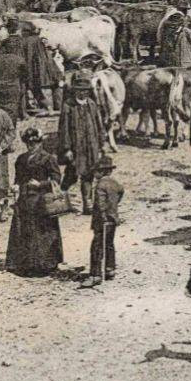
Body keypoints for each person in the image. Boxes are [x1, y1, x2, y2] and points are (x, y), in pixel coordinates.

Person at [6, 126, 64, 277]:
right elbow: (18, 178)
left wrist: (42, 184)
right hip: (24, 199)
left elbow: (57, 179)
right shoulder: (21, 159)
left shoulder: (48, 158)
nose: (31, 146)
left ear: (40, 143)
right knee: (23, 230)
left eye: (35, 143)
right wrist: (15, 186)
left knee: (43, 232)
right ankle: (24, 264)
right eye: (28, 144)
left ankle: (46, 264)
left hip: (41, 200)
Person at [56, 73, 107, 216]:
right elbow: (64, 128)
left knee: (89, 174)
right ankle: (62, 198)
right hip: (75, 148)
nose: (83, 93)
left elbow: (99, 125)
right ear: (75, 91)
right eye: (80, 90)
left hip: (91, 146)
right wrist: (66, 149)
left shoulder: (91, 104)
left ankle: (87, 204)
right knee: (71, 175)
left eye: (85, 90)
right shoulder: (68, 106)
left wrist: (102, 144)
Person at [82, 157, 123, 288]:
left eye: (96, 172)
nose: (94, 175)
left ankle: (95, 275)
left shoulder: (100, 185)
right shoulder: (115, 183)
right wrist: (114, 207)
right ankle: (110, 269)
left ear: (101, 172)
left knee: (97, 247)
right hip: (113, 219)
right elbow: (121, 193)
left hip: (102, 220)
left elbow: (100, 205)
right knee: (109, 244)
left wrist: (103, 215)